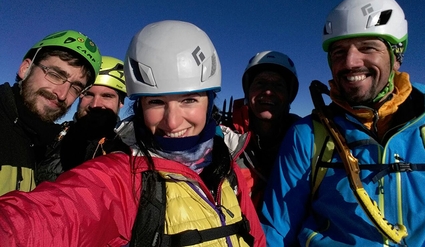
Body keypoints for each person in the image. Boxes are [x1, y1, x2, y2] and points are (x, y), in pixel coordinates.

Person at [0, 20, 265, 247]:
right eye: (156, 102)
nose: (172, 123)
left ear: (210, 103)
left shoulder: (223, 164)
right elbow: (47, 216)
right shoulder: (122, 175)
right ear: (138, 107)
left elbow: (256, 237)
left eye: (189, 100)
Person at [260, 0, 425, 246]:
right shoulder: (308, 134)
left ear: (397, 56)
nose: (350, 62)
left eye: (368, 48)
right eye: (339, 52)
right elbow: (276, 229)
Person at [0, 30, 101, 196]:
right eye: (55, 74)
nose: (62, 94)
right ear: (25, 68)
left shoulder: (46, 142)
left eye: (75, 87)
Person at [221, 50, 300, 210]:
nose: (268, 92)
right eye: (261, 83)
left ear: (289, 94)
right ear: (248, 91)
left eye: (278, 85)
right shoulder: (223, 139)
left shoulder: (305, 139)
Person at [36, 56, 129, 184]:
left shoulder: (127, 153)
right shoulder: (52, 136)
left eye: (107, 96)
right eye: (88, 94)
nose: (95, 104)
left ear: (121, 102)